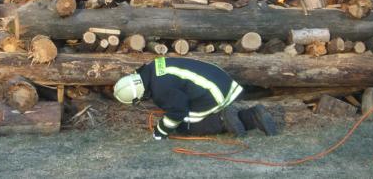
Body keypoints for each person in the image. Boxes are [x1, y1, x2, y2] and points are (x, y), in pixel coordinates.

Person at [113, 57, 277, 140]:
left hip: (213, 93)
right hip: (220, 79)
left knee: (185, 126)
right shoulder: (153, 66)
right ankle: (254, 116)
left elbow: (178, 111)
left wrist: (160, 132)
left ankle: (221, 119)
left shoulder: (160, 90)